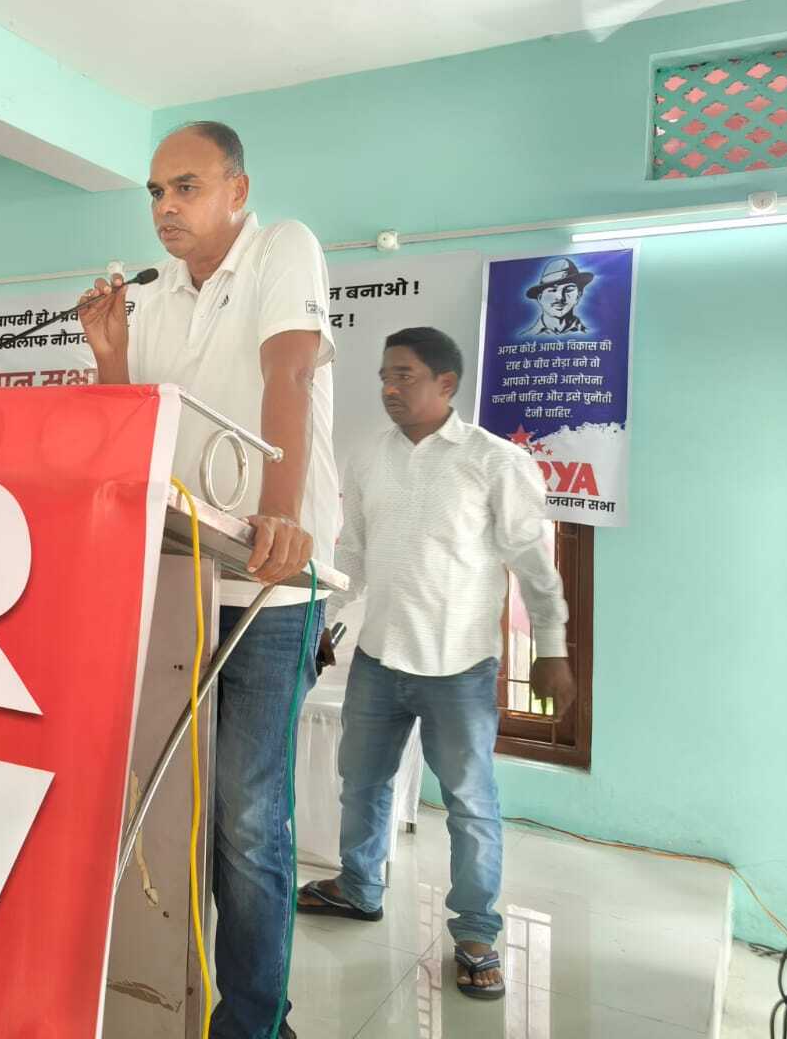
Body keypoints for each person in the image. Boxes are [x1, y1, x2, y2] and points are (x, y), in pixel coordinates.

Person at [78, 121, 336, 1039]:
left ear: (237, 190)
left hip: (266, 584)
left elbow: (288, 373)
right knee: (164, 808)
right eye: (155, 192)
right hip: (173, 581)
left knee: (248, 819)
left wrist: (281, 512)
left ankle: (254, 1022)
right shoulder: (150, 297)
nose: (165, 207)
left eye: (185, 187)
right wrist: (111, 357)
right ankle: (166, 998)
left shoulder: (282, 248)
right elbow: (131, 434)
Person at [297, 328, 574, 1001]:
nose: (390, 388)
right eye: (385, 376)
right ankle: (359, 887)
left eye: (405, 376)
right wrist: (326, 618)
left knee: (470, 804)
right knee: (362, 782)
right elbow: (354, 554)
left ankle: (475, 934)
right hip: (379, 658)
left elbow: (534, 566)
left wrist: (552, 648)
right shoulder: (369, 457)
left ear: (446, 384)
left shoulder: (495, 461)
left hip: (460, 667)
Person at [525, 256, 593, 335]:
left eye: (568, 290)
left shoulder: (591, 335)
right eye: (553, 290)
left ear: (578, 296)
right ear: (540, 298)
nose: (560, 297)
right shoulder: (526, 337)